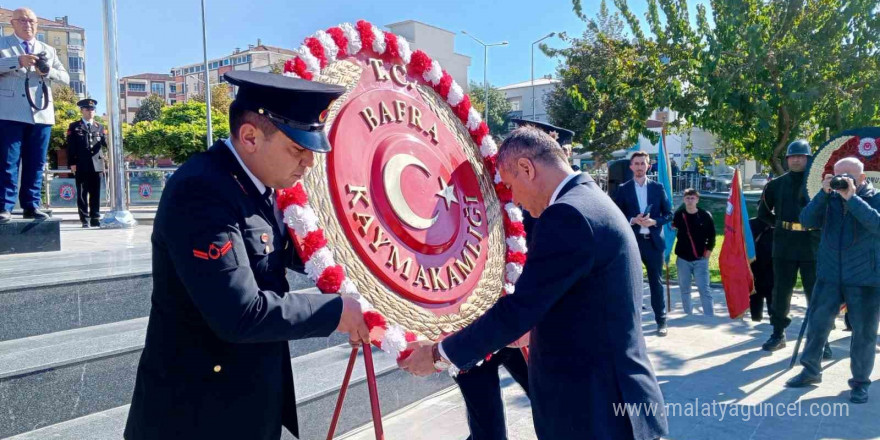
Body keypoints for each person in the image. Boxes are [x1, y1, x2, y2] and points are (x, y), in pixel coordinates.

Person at [124, 71, 371, 440]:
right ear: (250, 137)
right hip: (195, 415)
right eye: (297, 149)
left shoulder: (260, 186)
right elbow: (240, 313)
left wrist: (366, 273)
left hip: (246, 402)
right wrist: (338, 311)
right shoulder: (203, 190)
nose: (308, 164)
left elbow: (289, 250)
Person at [400, 127, 668, 440]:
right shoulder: (591, 200)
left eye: (511, 185)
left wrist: (437, 353)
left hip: (595, 412)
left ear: (527, 168)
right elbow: (582, 303)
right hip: (612, 402)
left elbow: (519, 309)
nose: (516, 200)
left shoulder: (566, 214)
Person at [785, 157, 880, 404]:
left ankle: (860, 383)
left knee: (864, 333)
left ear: (862, 178)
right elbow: (806, 220)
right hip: (829, 274)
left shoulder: (875, 197)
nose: (842, 180)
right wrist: (823, 194)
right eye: (838, 175)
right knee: (817, 324)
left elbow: (876, 225)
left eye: (848, 175)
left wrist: (852, 198)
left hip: (865, 278)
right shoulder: (829, 199)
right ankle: (810, 370)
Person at [758, 140, 830, 359]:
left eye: (801, 156)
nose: (797, 159)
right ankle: (778, 333)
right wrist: (780, 224)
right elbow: (763, 213)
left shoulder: (818, 185)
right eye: (793, 156)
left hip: (811, 245)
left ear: (808, 159)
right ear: (787, 159)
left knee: (816, 294)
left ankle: (821, 339)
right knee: (781, 292)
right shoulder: (775, 185)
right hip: (784, 244)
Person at [0, 7, 69, 223]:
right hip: (10, 112)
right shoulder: (3, 45)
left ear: (36, 25)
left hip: (41, 113)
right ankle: (4, 207)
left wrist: (47, 70)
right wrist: (17, 61)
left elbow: (65, 77)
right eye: (22, 20)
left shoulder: (47, 49)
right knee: (7, 162)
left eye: (31, 21)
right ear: (12, 23)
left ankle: (32, 204)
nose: (27, 24)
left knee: (36, 162)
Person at [613, 151, 674, 336]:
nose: (639, 167)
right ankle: (632, 322)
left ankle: (661, 321)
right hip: (633, 243)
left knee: (656, 283)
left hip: (653, 243)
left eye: (642, 163)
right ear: (631, 167)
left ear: (648, 166)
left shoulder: (658, 188)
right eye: (636, 163)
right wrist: (633, 219)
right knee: (630, 283)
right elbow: (615, 215)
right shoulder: (623, 189)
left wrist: (654, 221)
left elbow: (669, 214)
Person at [671, 188, 716, 316]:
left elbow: (712, 236)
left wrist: (708, 251)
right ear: (684, 199)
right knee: (685, 289)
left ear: (697, 199)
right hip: (683, 258)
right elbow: (671, 231)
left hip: (700, 258)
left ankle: (709, 316)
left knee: (704, 289)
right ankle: (688, 315)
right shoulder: (679, 215)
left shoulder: (705, 215)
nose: (690, 201)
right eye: (687, 198)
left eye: (692, 198)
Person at [64, 98, 106, 228]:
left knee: (96, 193)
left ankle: (95, 217)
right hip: (81, 164)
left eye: (92, 109)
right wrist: (72, 163)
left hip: (97, 164)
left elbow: (105, 143)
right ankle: (84, 219)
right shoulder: (75, 126)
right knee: (82, 193)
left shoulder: (99, 127)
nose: (90, 112)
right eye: (87, 109)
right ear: (81, 110)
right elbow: (71, 147)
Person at [748, 217, 774, 322]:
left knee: (771, 293)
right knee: (755, 293)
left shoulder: (777, 222)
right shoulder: (750, 223)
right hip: (755, 263)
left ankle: (774, 319)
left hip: (771, 264)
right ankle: (756, 318)